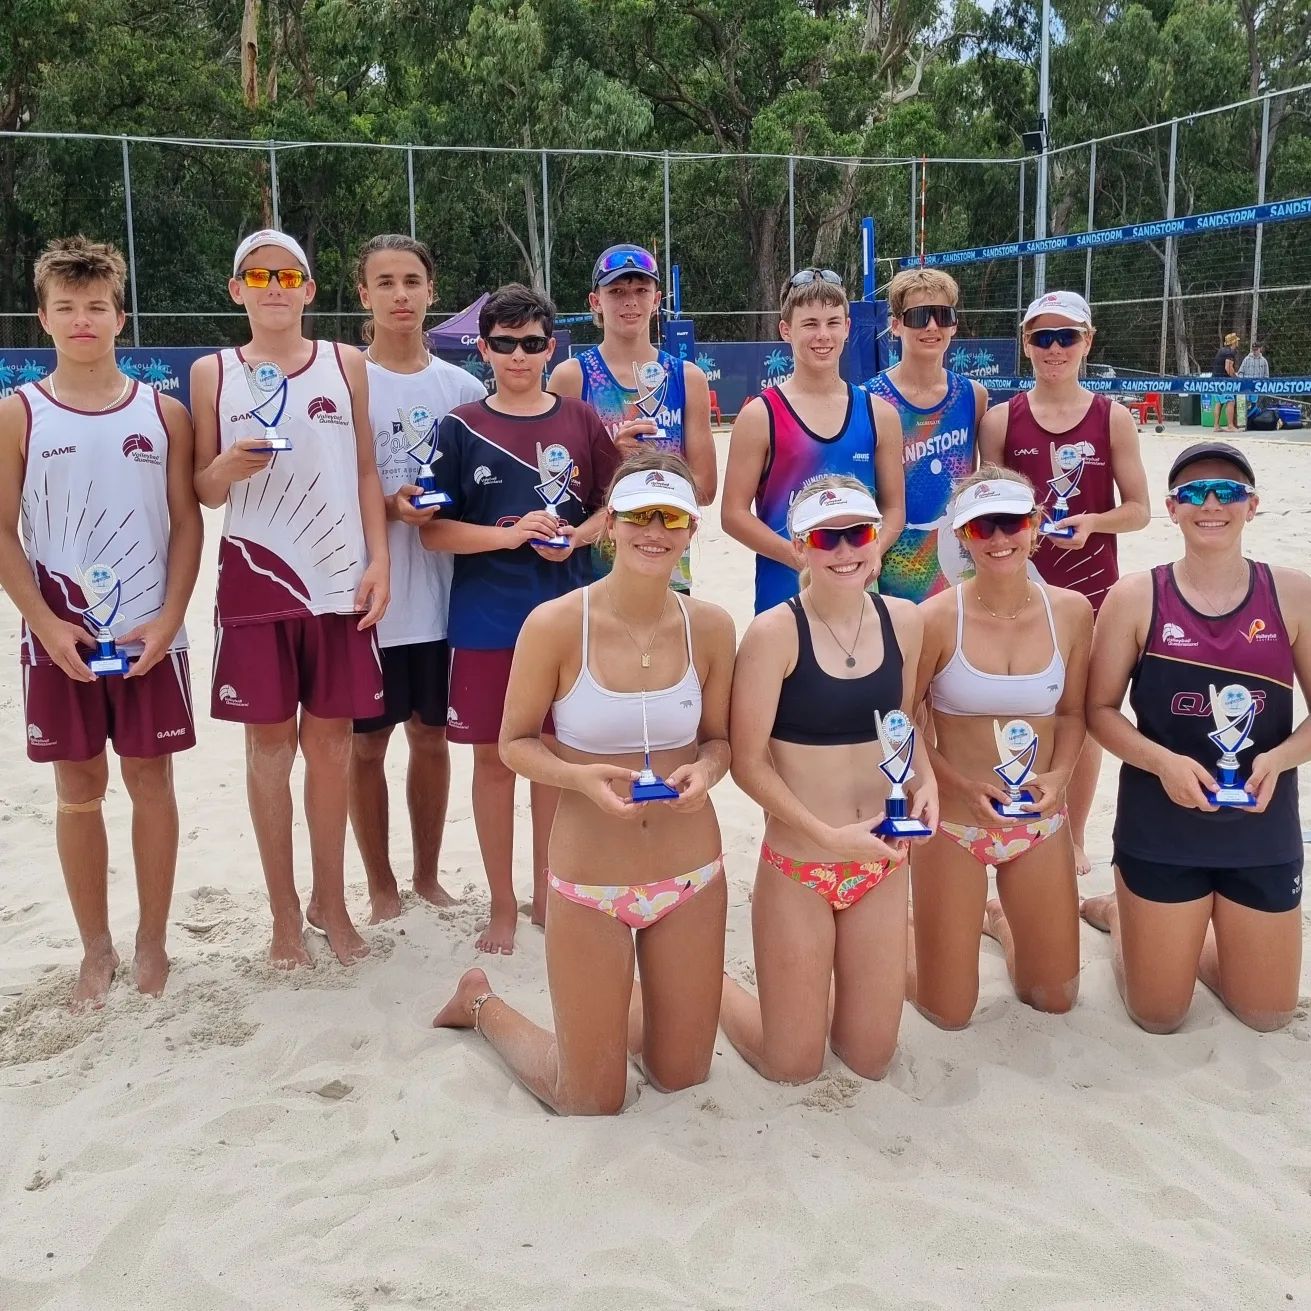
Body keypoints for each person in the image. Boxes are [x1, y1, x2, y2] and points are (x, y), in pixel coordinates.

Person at [433, 452, 735, 1115]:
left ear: (690, 529)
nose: (653, 531)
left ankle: (616, 1001)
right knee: (588, 1098)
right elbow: (511, 744)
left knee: (681, 1076)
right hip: (590, 881)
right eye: (637, 516)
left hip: (689, 877)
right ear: (608, 524)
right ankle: (480, 1002)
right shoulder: (556, 624)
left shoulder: (709, 625)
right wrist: (578, 775)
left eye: (671, 517)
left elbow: (719, 738)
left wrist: (706, 770)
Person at [0, 236, 202, 1006]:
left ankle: (153, 943)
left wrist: (171, 616)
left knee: (152, 782)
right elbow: (2, 531)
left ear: (120, 316)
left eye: (96, 307)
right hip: (61, 634)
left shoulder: (164, 412)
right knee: (77, 787)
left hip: (151, 633)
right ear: (43, 318)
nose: (81, 319)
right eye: (66, 308)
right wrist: (47, 626)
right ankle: (97, 947)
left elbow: (187, 523)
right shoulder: (19, 414)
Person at [192, 229, 390, 970]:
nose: (273, 285)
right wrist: (226, 466)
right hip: (256, 577)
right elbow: (202, 490)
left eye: (288, 274)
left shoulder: (346, 363)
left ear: (309, 290)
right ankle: (282, 911)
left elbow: (366, 470)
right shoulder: (214, 372)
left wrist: (380, 563)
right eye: (257, 274)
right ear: (237, 288)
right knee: (269, 749)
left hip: (339, 583)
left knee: (332, 746)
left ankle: (329, 900)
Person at [420, 283, 621, 955]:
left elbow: (609, 509)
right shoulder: (457, 425)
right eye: (503, 344)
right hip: (486, 619)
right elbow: (433, 533)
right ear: (483, 348)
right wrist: (506, 536)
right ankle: (501, 904)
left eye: (531, 343)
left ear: (549, 346)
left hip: (566, 617)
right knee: (493, 762)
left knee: (554, 762)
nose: (517, 355)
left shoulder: (582, 420)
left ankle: (543, 892)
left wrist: (579, 536)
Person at [1082, 442, 1308, 1033]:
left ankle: (1187, 931)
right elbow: (1099, 711)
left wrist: (1280, 759)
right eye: (1194, 494)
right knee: (1158, 1015)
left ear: (1252, 506)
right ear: (1172, 508)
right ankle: (1123, 916)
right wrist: (1162, 764)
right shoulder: (1135, 596)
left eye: (1228, 492)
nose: (1212, 504)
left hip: (1261, 826)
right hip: (1161, 827)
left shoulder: (1292, 593)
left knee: (1267, 1016)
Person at [719, 476, 934, 1083]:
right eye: (826, 538)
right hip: (800, 866)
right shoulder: (773, 633)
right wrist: (826, 834)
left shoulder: (906, 620)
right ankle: (716, 988)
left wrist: (927, 782)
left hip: (882, 863)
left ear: (878, 541)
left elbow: (906, 720)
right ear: (799, 547)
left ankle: (815, 998)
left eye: (857, 535)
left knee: (870, 1059)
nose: (844, 551)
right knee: (791, 1066)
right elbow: (747, 762)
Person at [910, 467, 1091, 1028]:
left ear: (1035, 525)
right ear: (962, 536)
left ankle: (997, 920)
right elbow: (906, 722)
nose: (997, 538)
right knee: (948, 1012)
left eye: (1011, 522)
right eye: (980, 526)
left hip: (1038, 821)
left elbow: (1072, 713)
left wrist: (1060, 779)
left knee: (1054, 999)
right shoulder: (935, 617)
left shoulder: (1072, 611)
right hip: (954, 826)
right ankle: (883, 942)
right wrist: (957, 784)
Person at [980, 289, 1149, 878]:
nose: (1054, 348)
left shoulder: (1112, 416)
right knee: (1017, 708)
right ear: (1025, 344)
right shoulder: (1002, 419)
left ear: (1087, 342)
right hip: (1019, 588)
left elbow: (1141, 510)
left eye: (1066, 337)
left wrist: (1094, 523)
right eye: (1041, 337)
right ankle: (1013, 819)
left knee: (1084, 715)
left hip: (1094, 589)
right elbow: (987, 507)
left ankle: (1072, 837)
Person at [348, 234, 486, 923]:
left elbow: (479, 490)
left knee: (430, 736)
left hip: (441, 593)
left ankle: (427, 876)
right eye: (385, 282)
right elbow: (331, 483)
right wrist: (389, 506)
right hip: (368, 595)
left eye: (411, 281)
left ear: (432, 292)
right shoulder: (344, 382)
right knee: (365, 743)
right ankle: (379, 886)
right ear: (362, 295)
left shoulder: (462, 389)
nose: (400, 294)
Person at [722, 267, 905, 614]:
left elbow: (894, 509)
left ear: (847, 328)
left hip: (859, 594)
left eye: (833, 322)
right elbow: (732, 514)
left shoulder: (879, 414)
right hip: (786, 595)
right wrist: (801, 557)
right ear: (786, 330)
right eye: (810, 324)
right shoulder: (760, 416)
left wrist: (870, 554)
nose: (823, 335)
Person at [548, 243, 716, 592]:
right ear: (595, 301)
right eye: (617, 291)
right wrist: (609, 457)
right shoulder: (572, 377)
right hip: (596, 572)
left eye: (641, 290)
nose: (630, 301)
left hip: (667, 565)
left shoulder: (686, 378)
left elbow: (706, 488)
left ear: (657, 300)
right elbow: (561, 483)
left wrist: (653, 475)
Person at [863, 267, 985, 602]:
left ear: (954, 324)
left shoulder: (973, 395)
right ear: (896, 324)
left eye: (942, 315)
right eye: (918, 316)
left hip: (960, 563)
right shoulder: (870, 399)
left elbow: (978, 482)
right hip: (896, 565)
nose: (932, 326)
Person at [1210, 331, 1240, 431]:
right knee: (1230, 401)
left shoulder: (1221, 350)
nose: (1237, 343)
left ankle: (1216, 426)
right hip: (1224, 380)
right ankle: (1230, 426)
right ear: (1233, 342)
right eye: (1236, 341)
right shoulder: (1229, 352)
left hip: (1215, 379)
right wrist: (1235, 378)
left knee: (1218, 402)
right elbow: (1228, 368)